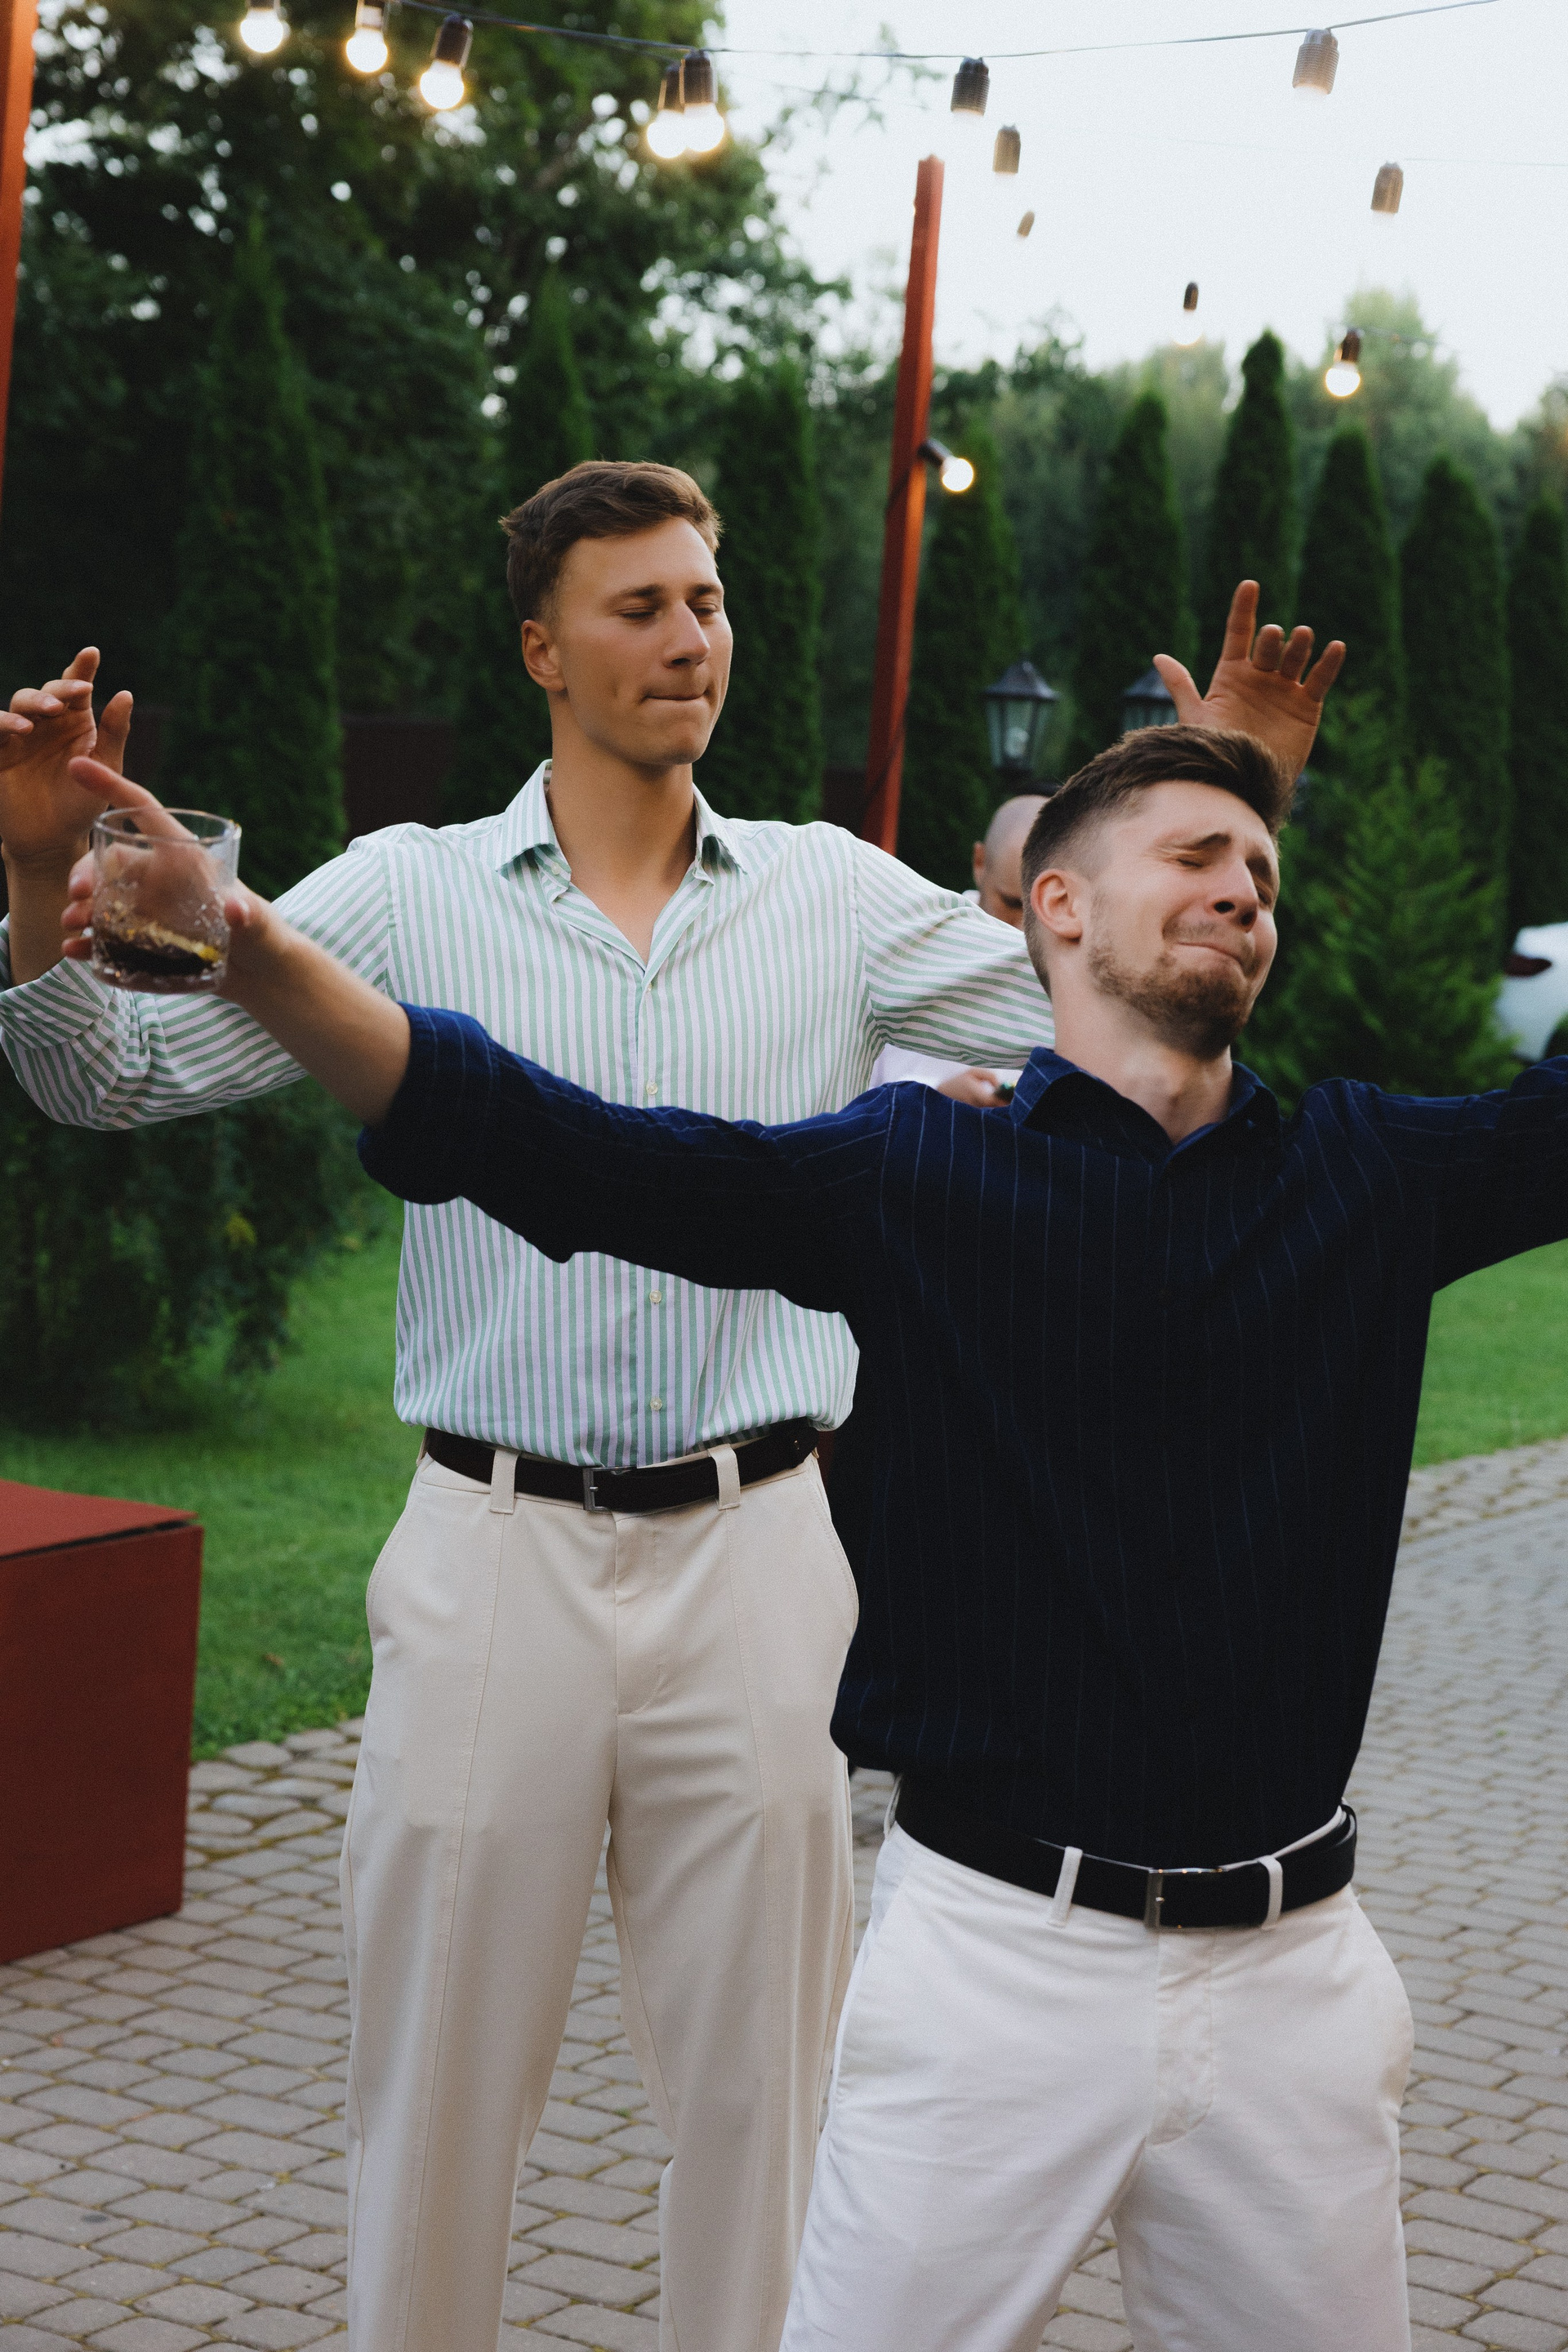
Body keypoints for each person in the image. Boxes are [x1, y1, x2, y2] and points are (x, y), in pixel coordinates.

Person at [0, 454, 1339, 2352]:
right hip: (490, 1555)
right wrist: (34, 869)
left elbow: (1124, 1009)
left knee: (770, 2115)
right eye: (639, 606)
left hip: (764, 1557)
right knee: (433, 2101)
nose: (690, 635)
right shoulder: (404, 891)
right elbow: (105, 1080)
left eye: (706, 600)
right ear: (544, 650)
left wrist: (1222, 795)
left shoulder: (832, 898)